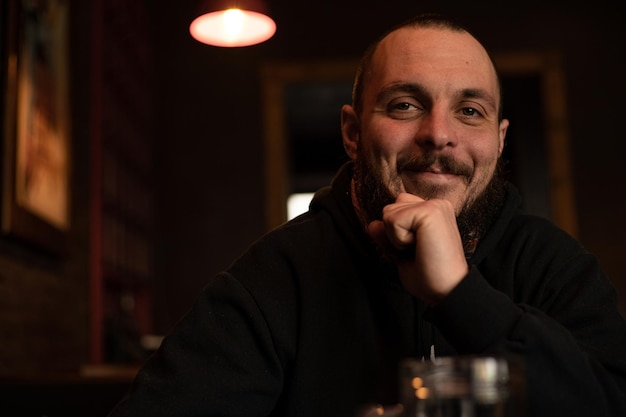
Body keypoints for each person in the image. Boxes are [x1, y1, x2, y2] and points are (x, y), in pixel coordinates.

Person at [108, 13, 626, 417]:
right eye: (404, 105)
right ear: (353, 133)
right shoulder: (274, 278)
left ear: (499, 139)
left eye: (470, 111)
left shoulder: (556, 267)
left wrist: (462, 297)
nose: (439, 133)